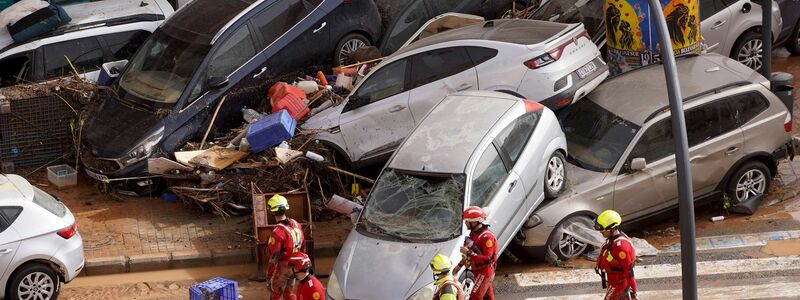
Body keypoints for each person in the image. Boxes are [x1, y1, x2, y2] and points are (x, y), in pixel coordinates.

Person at [267, 194, 305, 300]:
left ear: (273, 211)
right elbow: (303, 246)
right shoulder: (296, 224)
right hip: (294, 266)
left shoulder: (277, 232)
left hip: (283, 269)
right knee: (289, 294)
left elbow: (274, 257)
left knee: (275, 295)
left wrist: (269, 276)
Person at [454, 206, 497, 300]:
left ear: (475, 221)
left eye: (467, 221)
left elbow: (487, 259)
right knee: (488, 297)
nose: (465, 223)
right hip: (478, 270)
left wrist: (469, 252)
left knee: (474, 297)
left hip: (484, 272)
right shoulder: (473, 234)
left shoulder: (487, 237)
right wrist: (459, 266)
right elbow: (468, 254)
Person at [594, 209, 638, 300]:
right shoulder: (613, 239)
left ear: (613, 228)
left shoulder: (621, 248)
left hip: (618, 284)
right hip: (612, 280)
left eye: (603, 230)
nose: (601, 232)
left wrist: (634, 291)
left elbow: (629, 272)